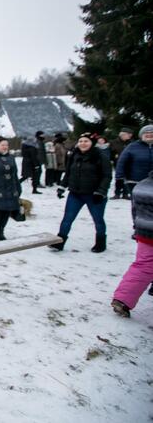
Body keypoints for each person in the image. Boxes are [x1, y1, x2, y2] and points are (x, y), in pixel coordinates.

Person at [49, 132, 111, 252]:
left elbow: (107, 176)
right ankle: (59, 242)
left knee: (98, 219)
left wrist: (101, 192)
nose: (83, 143)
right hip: (75, 194)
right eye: (81, 141)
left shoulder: (100, 156)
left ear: (92, 143)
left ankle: (100, 243)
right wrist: (62, 186)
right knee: (67, 218)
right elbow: (68, 173)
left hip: (94, 195)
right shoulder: (74, 155)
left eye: (86, 141)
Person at [111, 170, 153, 317]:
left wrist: (137, 228)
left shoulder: (142, 185)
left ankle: (123, 299)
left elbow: (135, 210)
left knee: (143, 265)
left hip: (144, 232)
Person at [110, 127, 134, 199]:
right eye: (129, 134)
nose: (130, 136)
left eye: (131, 135)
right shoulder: (113, 142)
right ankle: (117, 193)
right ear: (123, 135)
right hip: (118, 163)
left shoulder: (132, 143)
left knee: (127, 179)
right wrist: (112, 158)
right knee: (119, 178)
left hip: (129, 163)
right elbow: (110, 152)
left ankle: (125, 194)